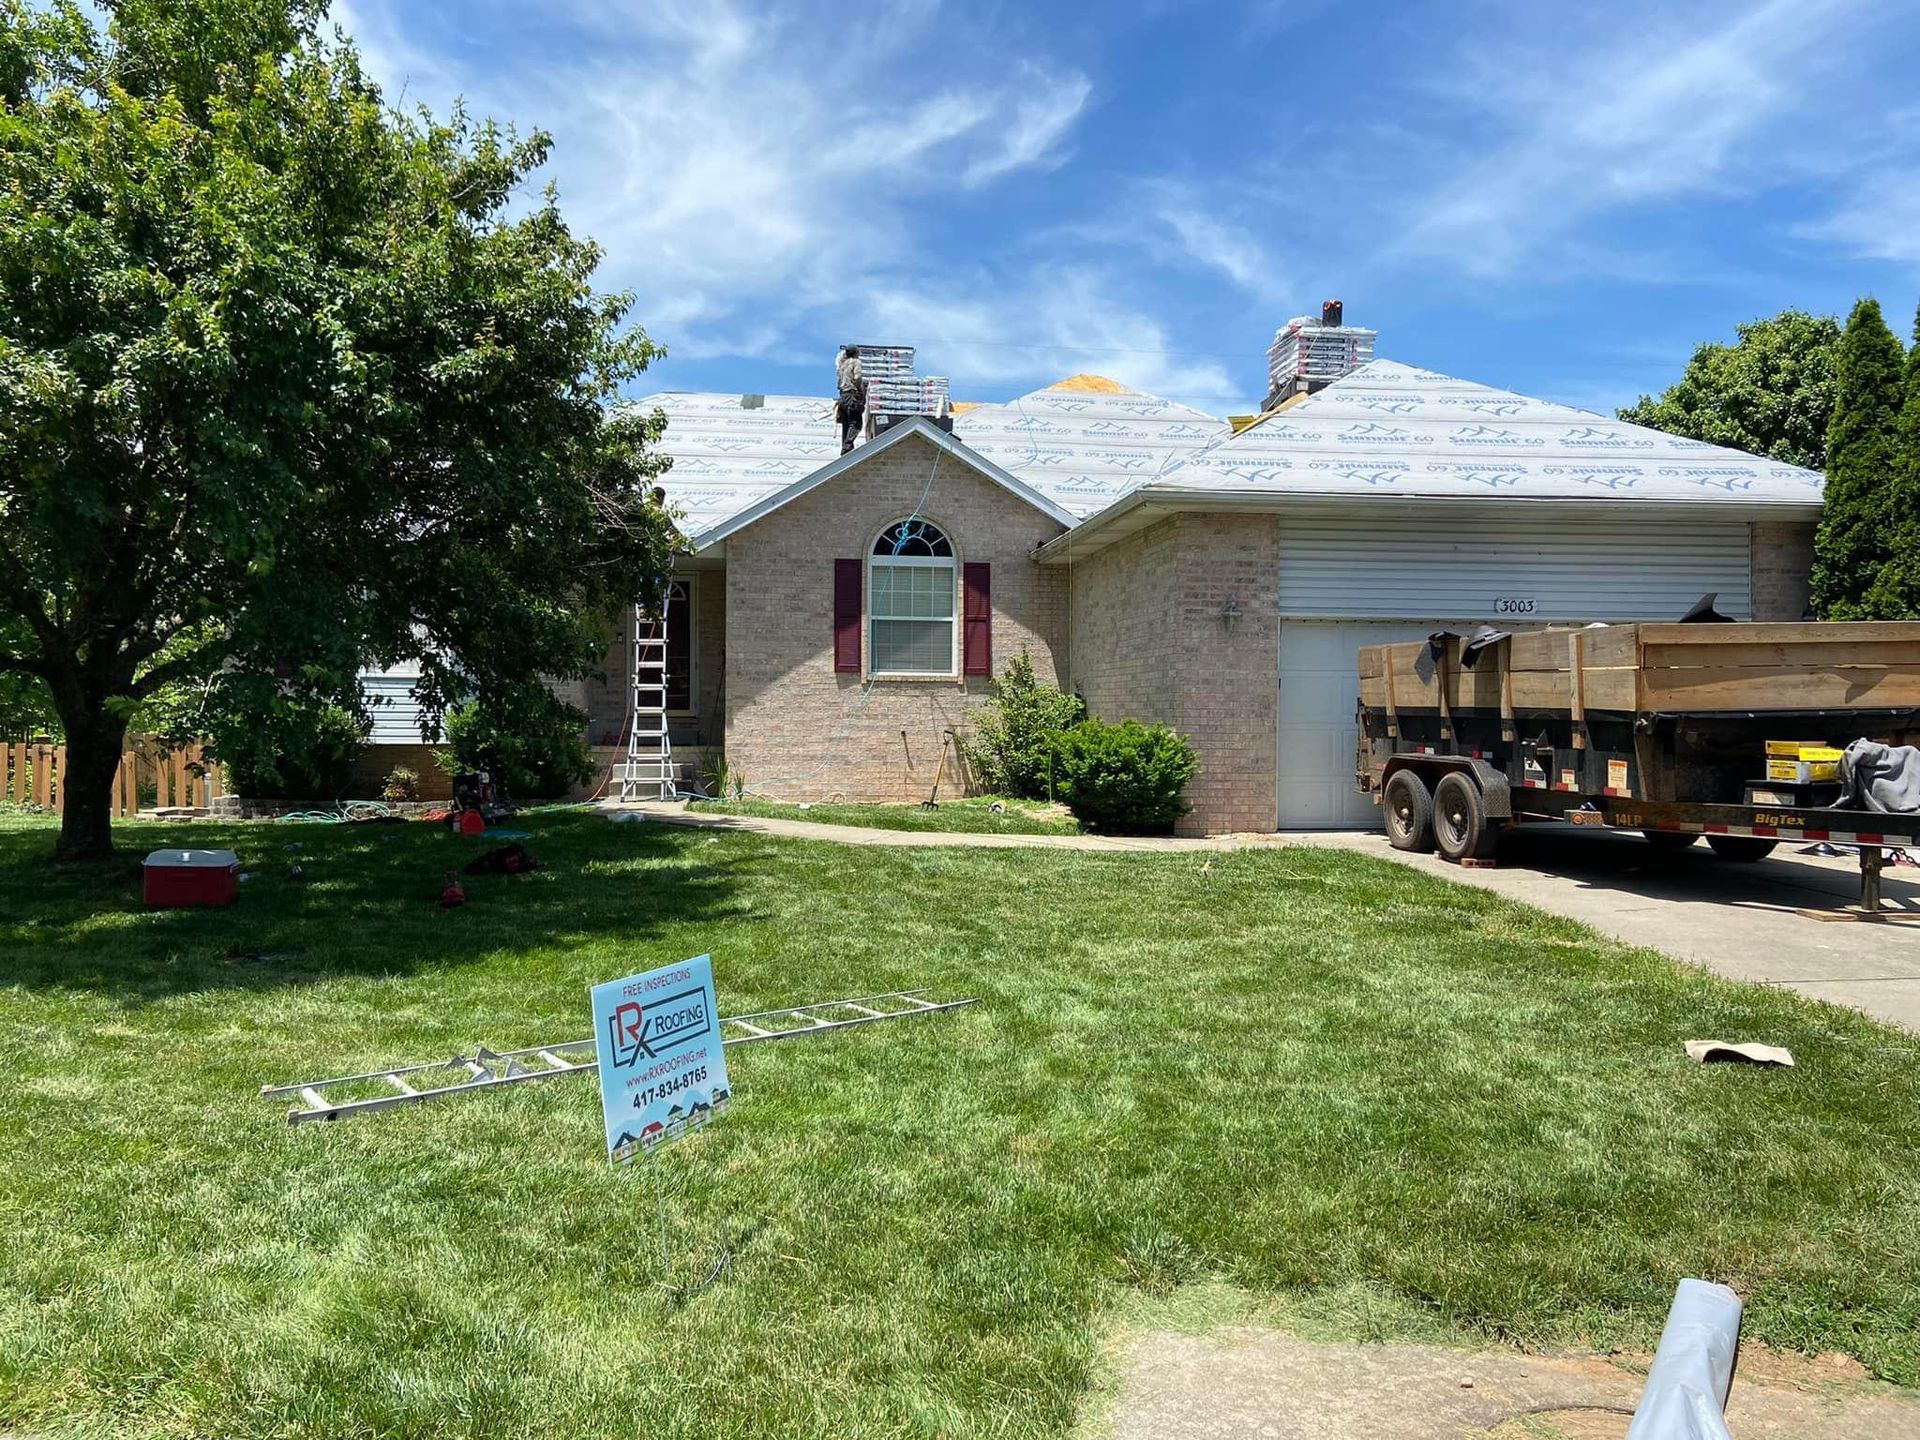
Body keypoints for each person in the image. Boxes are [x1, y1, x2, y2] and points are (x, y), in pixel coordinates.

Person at [835, 345, 864, 455]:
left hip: (842, 397)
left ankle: (844, 450)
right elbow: (857, 377)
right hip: (851, 395)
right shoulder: (856, 362)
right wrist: (860, 391)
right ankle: (847, 446)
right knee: (856, 423)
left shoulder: (842, 365)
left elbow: (839, 383)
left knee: (846, 424)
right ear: (856, 353)